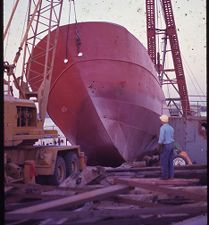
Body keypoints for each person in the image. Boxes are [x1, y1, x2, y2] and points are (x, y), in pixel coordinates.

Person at [158, 114, 175, 180]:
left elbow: (161, 139)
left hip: (166, 145)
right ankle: (171, 176)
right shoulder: (171, 128)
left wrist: (159, 146)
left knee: (164, 161)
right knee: (170, 161)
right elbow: (172, 137)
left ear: (162, 121)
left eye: (161, 120)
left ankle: (165, 176)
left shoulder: (162, 128)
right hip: (171, 145)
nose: (160, 121)